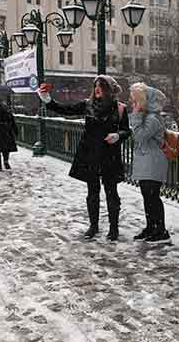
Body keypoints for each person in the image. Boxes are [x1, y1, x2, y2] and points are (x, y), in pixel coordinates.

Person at [37, 75, 131, 241]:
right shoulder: (88, 105)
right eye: (96, 86)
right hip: (91, 153)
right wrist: (47, 100)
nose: (97, 89)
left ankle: (113, 228)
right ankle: (93, 226)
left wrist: (118, 135)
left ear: (109, 90)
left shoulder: (120, 108)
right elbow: (64, 109)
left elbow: (126, 130)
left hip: (110, 155)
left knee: (112, 193)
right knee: (92, 192)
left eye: (101, 86)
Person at [129, 83, 171, 243]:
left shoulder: (153, 118)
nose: (133, 104)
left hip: (154, 161)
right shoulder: (147, 117)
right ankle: (151, 227)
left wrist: (136, 115)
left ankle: (161, 230)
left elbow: (140, 136)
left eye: (135, 101)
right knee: (147, 196)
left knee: (153, 196)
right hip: (147, 160)